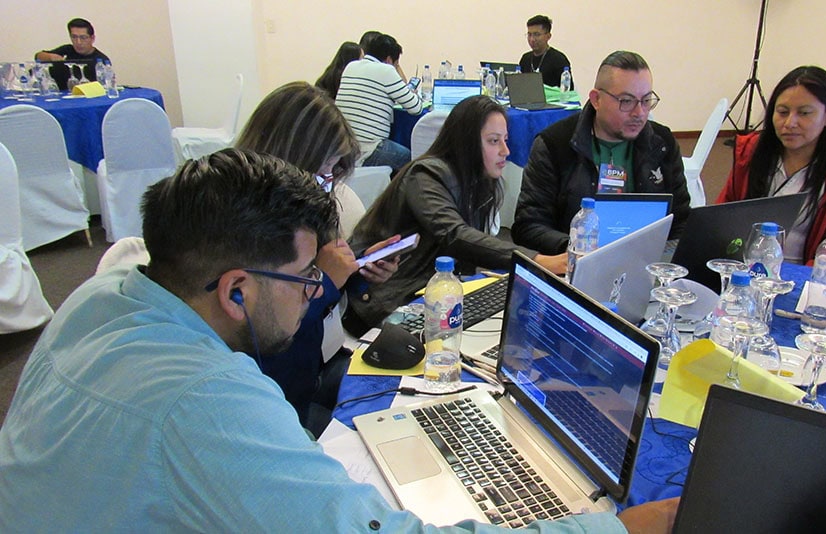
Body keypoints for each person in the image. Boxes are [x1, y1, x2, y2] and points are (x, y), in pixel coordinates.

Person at [0, 147, 679, 531]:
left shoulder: (101, 296)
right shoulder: (201, 402)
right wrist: (613, 528)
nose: (314, 290)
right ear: (236, 289)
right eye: (304, 278)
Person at [234, 81, 400, 435]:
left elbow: (320, 290)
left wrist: (355, 271)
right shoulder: (247, 227)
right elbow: (270, 336)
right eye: (323, 170)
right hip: (276, 400)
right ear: (290, 157)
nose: (327, 183)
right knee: (377, 437)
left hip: (314, 368)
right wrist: (325, 282)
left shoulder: (304, 209)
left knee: (403, 396)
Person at [344, 95, 568, 334]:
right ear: (467, 144)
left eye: (505, 140)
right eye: (494, 141)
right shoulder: (425, 176)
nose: (506, 151)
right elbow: (454, 235)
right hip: (385, 302)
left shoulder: (476, 181)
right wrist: (535, 261)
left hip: (431, 293)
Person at [512, 51, 691, 255]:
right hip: (577, 266)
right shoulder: (555, 145)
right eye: (626, 101)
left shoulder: (661, 143)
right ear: (596, 99)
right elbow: (528, 226)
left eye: (646, 100)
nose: (639, 113)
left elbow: (681, 220)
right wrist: (578, 249)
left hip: (647, 263)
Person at [716, 65, 826, 264]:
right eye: (782, 112)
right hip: (745, 268)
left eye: (804, 113)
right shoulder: (752, 151)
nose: (789, 123)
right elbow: (721, 217)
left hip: (807, 277)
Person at [336, 33, 422, 174]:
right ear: (389, 59)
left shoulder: (351, 66)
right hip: (368, 149)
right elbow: (416, 108)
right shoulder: (386, 71)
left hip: (344, 146)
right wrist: (395, 69)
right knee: (411, 159)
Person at [517, 14, 571, 88]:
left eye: (536, 34)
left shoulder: (559, 60)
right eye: (529, 35)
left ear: (548, 36)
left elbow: (568, 92)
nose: (532, 39)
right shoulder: (525, 59)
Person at [35, 17, 109, 62]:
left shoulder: (101, 60)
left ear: (92, 38)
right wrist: (51, 57)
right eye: (74, 37)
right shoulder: (68, 49)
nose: (78, 42)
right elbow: (38, 56)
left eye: (83, 37)